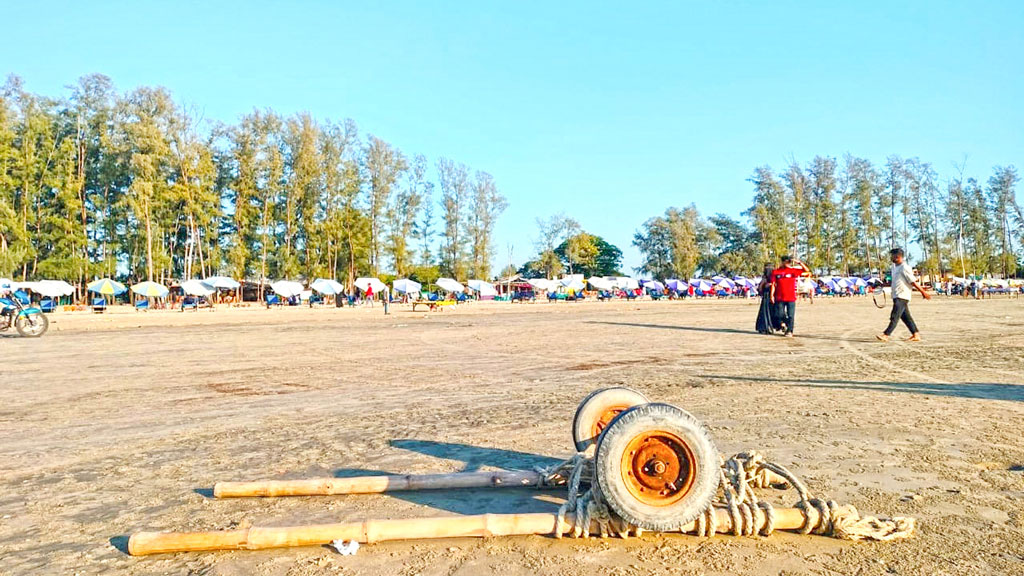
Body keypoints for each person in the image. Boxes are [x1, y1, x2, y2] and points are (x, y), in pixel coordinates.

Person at [876, 247, 931, 342]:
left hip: (902, 296)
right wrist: (881, 284)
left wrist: (923, 292)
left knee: (895, 315)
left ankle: (886, 334)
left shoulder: (905, 267)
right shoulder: (894, 267)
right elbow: (895, 281)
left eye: (892, 256)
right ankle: (915, 334)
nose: (891, 258)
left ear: (898, 256)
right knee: (906, 317)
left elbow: (912, 281)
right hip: (896, 295)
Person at [769, 255, 811, 337]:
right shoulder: (776, 272)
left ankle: (790, 331)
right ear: (782, 262)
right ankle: (784, 324)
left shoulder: (793, 271)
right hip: (779, 297)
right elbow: (773, 284)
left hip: (791, 297)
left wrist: (799, 263)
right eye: (786, 262)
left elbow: (807, 271)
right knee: (779, 314)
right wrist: (771, 295)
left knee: (791, 315)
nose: (788, 263)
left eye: (789, 262)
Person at [755, 264, 777, 334]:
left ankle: (766, 327)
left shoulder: (766, 278)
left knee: (765, 312)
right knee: (767, 312)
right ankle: (766, 327)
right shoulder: (768, 278)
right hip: (769, 295)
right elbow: (760, 287)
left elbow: (760, 288)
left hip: (768, 296)